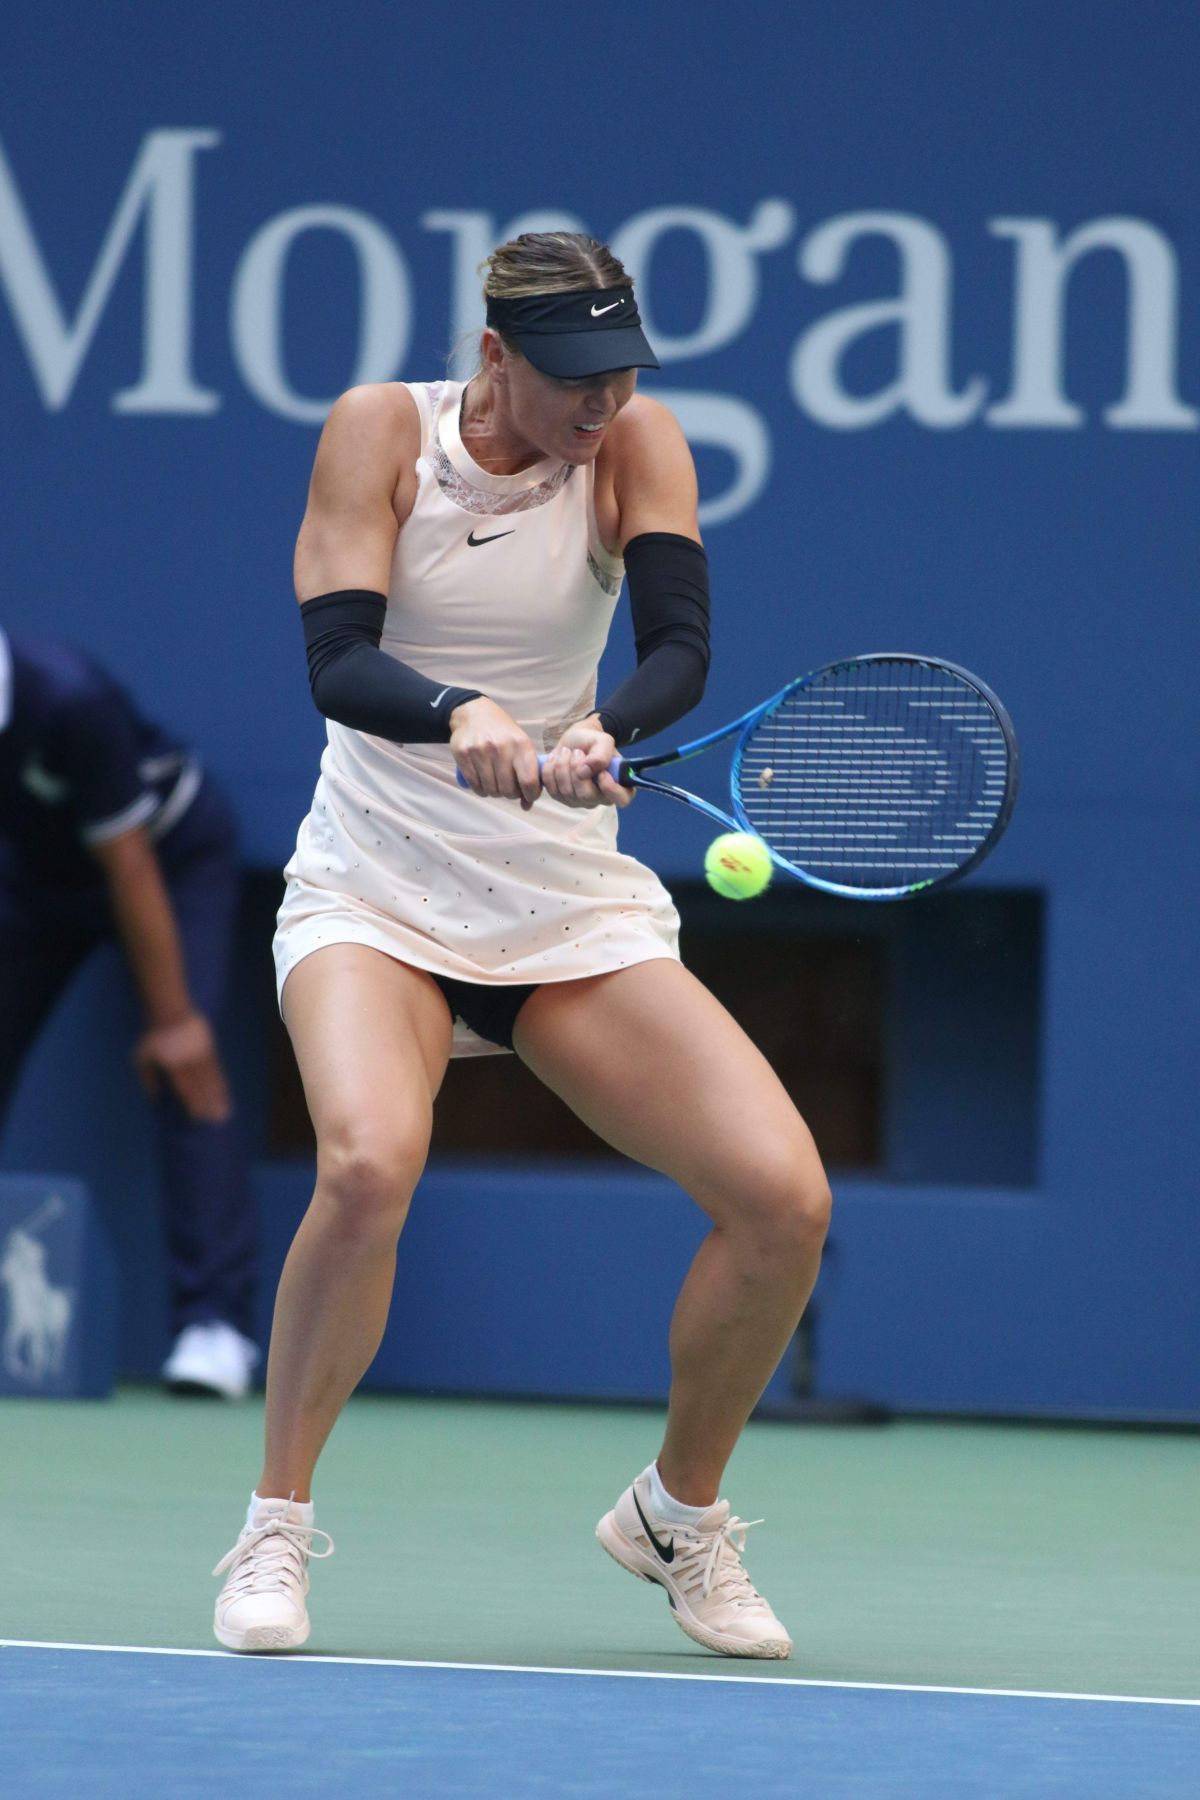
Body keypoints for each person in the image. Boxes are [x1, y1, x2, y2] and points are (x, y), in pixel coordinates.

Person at [211, 233, 831, 1658]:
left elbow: (677, 640)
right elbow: (339, 659)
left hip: (563, 906)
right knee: (369, 1164)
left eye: (619, 372)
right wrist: (462, 715)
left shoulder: (635, 444)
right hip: (375, 889)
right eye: (569, 379)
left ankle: (678, 1514)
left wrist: (603, 727)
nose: (599, 403)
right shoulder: (382, 431)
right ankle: (275, 1524)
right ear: (494, 357)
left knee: (783, 1202)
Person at [0, 627, 259, 1398]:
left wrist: (174, 1019)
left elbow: (130, 861)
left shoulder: (70, 698)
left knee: (187, 1064)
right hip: (43, 881)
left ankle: (216, 1326)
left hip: (169, 857)